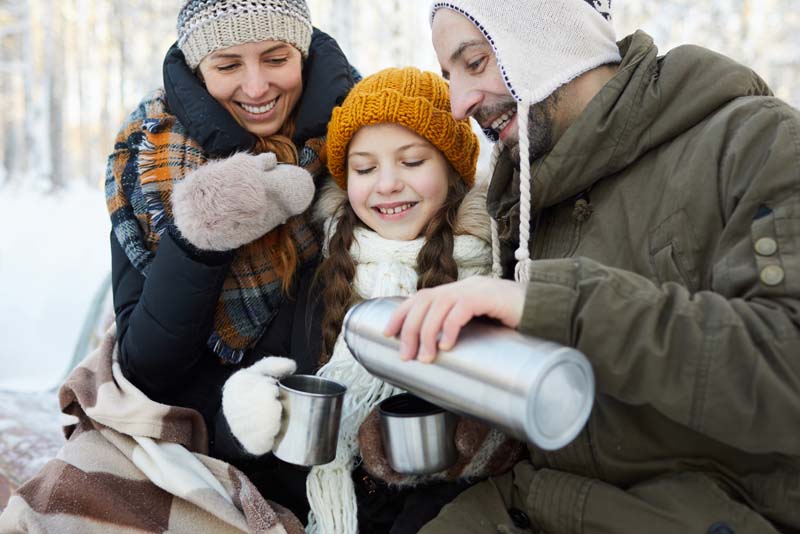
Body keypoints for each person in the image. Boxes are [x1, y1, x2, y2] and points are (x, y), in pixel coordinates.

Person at [384, 1, 800, 532]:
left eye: (477, 62)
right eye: (449, 76)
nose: (460, 103)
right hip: (530, 501)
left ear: (553, 40)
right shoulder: (525, 196)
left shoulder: (753, 143)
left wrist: (558, 306)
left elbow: (786, 370)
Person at [105, 0, 356, 518]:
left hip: (340, 458)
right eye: (227, 66)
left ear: (303, 55)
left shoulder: (360, 133)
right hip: (209, 463)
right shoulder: (150, 158)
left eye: (275, 58)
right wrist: (199, 240)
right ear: (199, 70)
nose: (257, 86)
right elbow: (146, 371)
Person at [288, 67, 520, 533]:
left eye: (412, 162)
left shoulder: (493, 267)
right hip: (335, 509)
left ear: (452, 171)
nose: (388, 184)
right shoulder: (328, 267)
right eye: (365, 168)